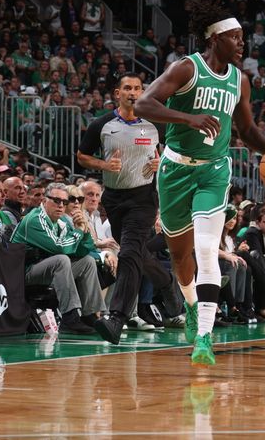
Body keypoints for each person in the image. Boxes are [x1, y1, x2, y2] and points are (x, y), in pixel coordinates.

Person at [134, 0, 265, 365]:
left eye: (243, 37)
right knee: (180, 257)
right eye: (235, 37)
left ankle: (204, 338)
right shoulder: (186, 69)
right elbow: (144, 105)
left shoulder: (239, 80)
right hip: (175, 169)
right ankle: (192, 306)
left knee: (208, 248)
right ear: (214, 39)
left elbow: (246, 129)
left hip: (214, 171)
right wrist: (187, 118)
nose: (242, 43)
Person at [76, 73, 183, 344]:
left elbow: (171, 154)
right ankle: (167, 282)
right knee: (136, 254)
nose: (133, 92)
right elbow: (82, 156)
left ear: (143, 92)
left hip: (143, 197)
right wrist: (103, 165)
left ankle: (116, 318)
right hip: (113, 197)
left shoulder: (155, 124)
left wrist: (163, 164)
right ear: (117, 93)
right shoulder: (101, 124)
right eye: (127, 88)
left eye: (137, 88)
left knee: (131, 253)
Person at [10, 182, 106, 335]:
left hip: (46, 270)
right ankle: (70, 317)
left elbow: (82, 251)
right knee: (61, 260)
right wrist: (78, 231)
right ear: (44, 201)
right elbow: (60, 247)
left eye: (64, 202)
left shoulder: (61, 223)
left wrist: (84, 229)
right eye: (56, 201)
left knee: (87, 262)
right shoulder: (34, 219)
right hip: (22, 273)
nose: (61, 205)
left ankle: (90, 315)